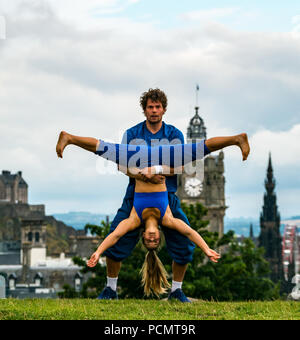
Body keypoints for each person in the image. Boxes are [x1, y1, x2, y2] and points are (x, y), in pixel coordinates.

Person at [56, 88, 250, 302]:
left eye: (158, 107)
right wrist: (143, 175)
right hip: (136, 191)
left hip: (168, 193)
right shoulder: (132, 133)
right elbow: (123, 167)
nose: (154, 110)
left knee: (184, 245)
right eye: (150, 107)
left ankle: (176, 291)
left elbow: (179, 168)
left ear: (164, 109)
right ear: (145, 110)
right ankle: (110, 289)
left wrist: (155, 171)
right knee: (109, 153)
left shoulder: (173, 134)